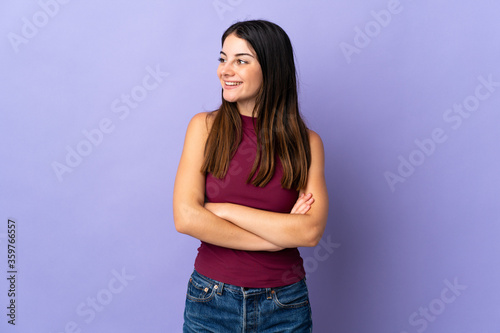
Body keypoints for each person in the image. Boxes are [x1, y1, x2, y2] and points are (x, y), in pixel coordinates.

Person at [173, 19, 328, 332]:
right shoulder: (204, 128)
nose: (225, 70)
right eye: (223, 59)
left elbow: (309, 232)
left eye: (241, 61)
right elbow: (186, 218)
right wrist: (273, 240)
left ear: (271, 69)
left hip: (284, 303)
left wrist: (223, 211)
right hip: (210, 300)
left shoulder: (307, 143)